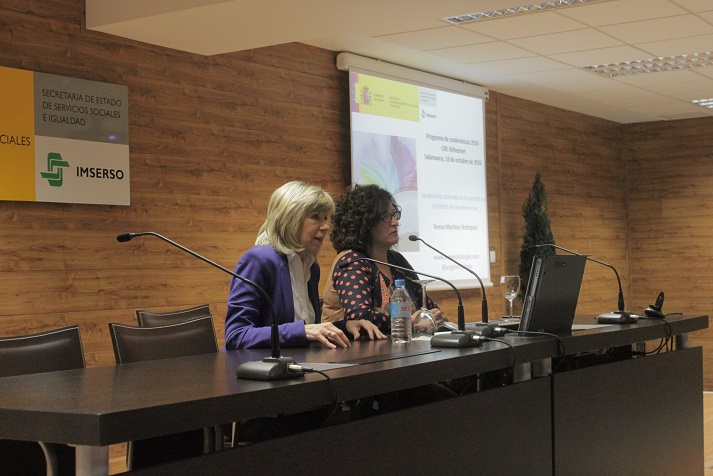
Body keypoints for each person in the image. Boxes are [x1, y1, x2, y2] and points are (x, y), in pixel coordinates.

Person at [224, 181, 385, 351]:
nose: (325, 227)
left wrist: (346, 326)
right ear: (290, 219)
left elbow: (309, 329)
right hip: (256, 365)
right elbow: (236, 335)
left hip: (298, 362)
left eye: (325, 218)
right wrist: (302, 330)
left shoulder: (311, 266)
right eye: (315, 217)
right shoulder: (258, 260)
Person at [323, 183, 447, 332]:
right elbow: (360, 317)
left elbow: (428, 307)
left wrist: (434, 316)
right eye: (386, 217)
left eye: (394, 215)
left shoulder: (396, 260)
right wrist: (409, 322)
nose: (395, 222)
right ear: (366, 222)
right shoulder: (352, 261)